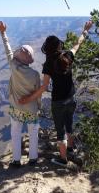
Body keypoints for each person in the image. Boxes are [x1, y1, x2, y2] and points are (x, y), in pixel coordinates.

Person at [19, 20, 93, 166]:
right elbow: (78, 44)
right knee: (69, 123)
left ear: (47, 48)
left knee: (60, 130)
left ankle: (63, 159)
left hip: (58, 101)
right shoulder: (68, 55)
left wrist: (29, 98)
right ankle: (71, 148)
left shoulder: (48, 65)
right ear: (59, 45)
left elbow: (44, 87)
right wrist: (85, 30)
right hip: (71, 98)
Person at [0, 21, 41, 167]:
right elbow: (37, 93)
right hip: (31, 110)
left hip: (16, 108)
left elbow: (8, 50)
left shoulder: (13, 67)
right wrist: (38, 106)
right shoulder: (35, 74)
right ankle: (33, 159)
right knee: (33, 134)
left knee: (15, 134)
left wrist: (3, 33)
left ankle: (16, 161)